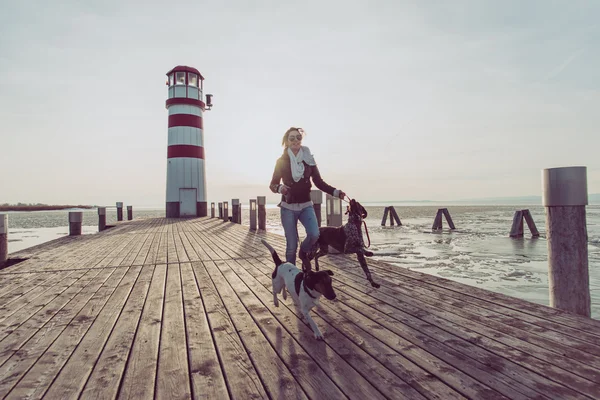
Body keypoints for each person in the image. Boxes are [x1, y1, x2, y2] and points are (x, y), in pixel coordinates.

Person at [269, 127, 345, 271]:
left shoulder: (308, 159)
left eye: (298, 137)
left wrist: (335, 192)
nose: (296, 141)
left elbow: (318, 182)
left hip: (306, 206)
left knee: (314, 234)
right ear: (286, 141)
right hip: (288, 208)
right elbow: (272, 184)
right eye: (292, 138)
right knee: (291, 245)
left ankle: (303, 252)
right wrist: (280, 189)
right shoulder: (281, 161)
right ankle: (291, 274)